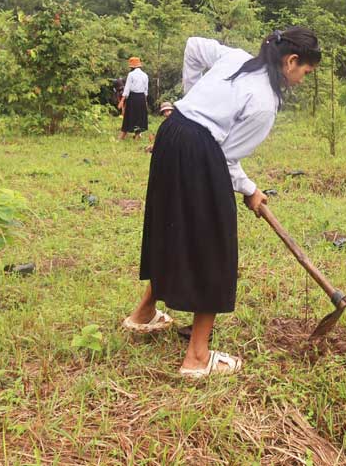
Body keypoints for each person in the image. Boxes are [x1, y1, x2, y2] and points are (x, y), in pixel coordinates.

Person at [124, 28, 321, 378]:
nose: (302, 81)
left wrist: (191, 101)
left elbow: (193, 47)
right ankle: (197, 358)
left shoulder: (238, 58)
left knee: (172, 230)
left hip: (171, 134)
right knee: (214, 248)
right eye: (305, 72)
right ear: (291, 62)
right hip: (197, 151)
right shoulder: (264, 103)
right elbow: (223, 159)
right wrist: (249, 189)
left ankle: (143, 315)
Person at [118, 57, 149, 140]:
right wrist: (145, 102)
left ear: (132, 67)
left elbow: (127, 88)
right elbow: (146, 90)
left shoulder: (131, 74)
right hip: (141, 98)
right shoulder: (145, 75)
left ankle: (122, 137)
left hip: (133, 97)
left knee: (129, 116)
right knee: (139, 117)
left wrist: (122, 101)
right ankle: (137, 136)